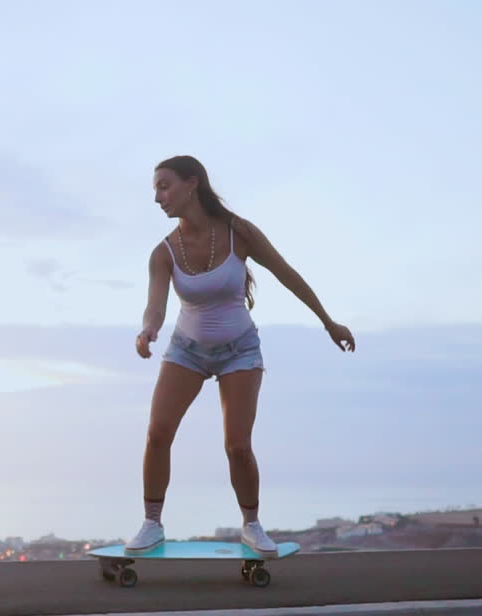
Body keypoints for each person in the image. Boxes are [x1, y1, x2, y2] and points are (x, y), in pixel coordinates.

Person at [128, 155, 355, 557]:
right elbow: (156, 306)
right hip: (186, 351)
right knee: (158, 433)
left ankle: (251, 525)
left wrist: (328, 322)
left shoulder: (239, 233)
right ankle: (152, 524)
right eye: (156, 189)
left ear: (191, 184)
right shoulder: (163, 252)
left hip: (240, 351)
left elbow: (286, 274)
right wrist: (148, 330)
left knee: (237, 445)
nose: (158, 198)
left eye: (164, 186)